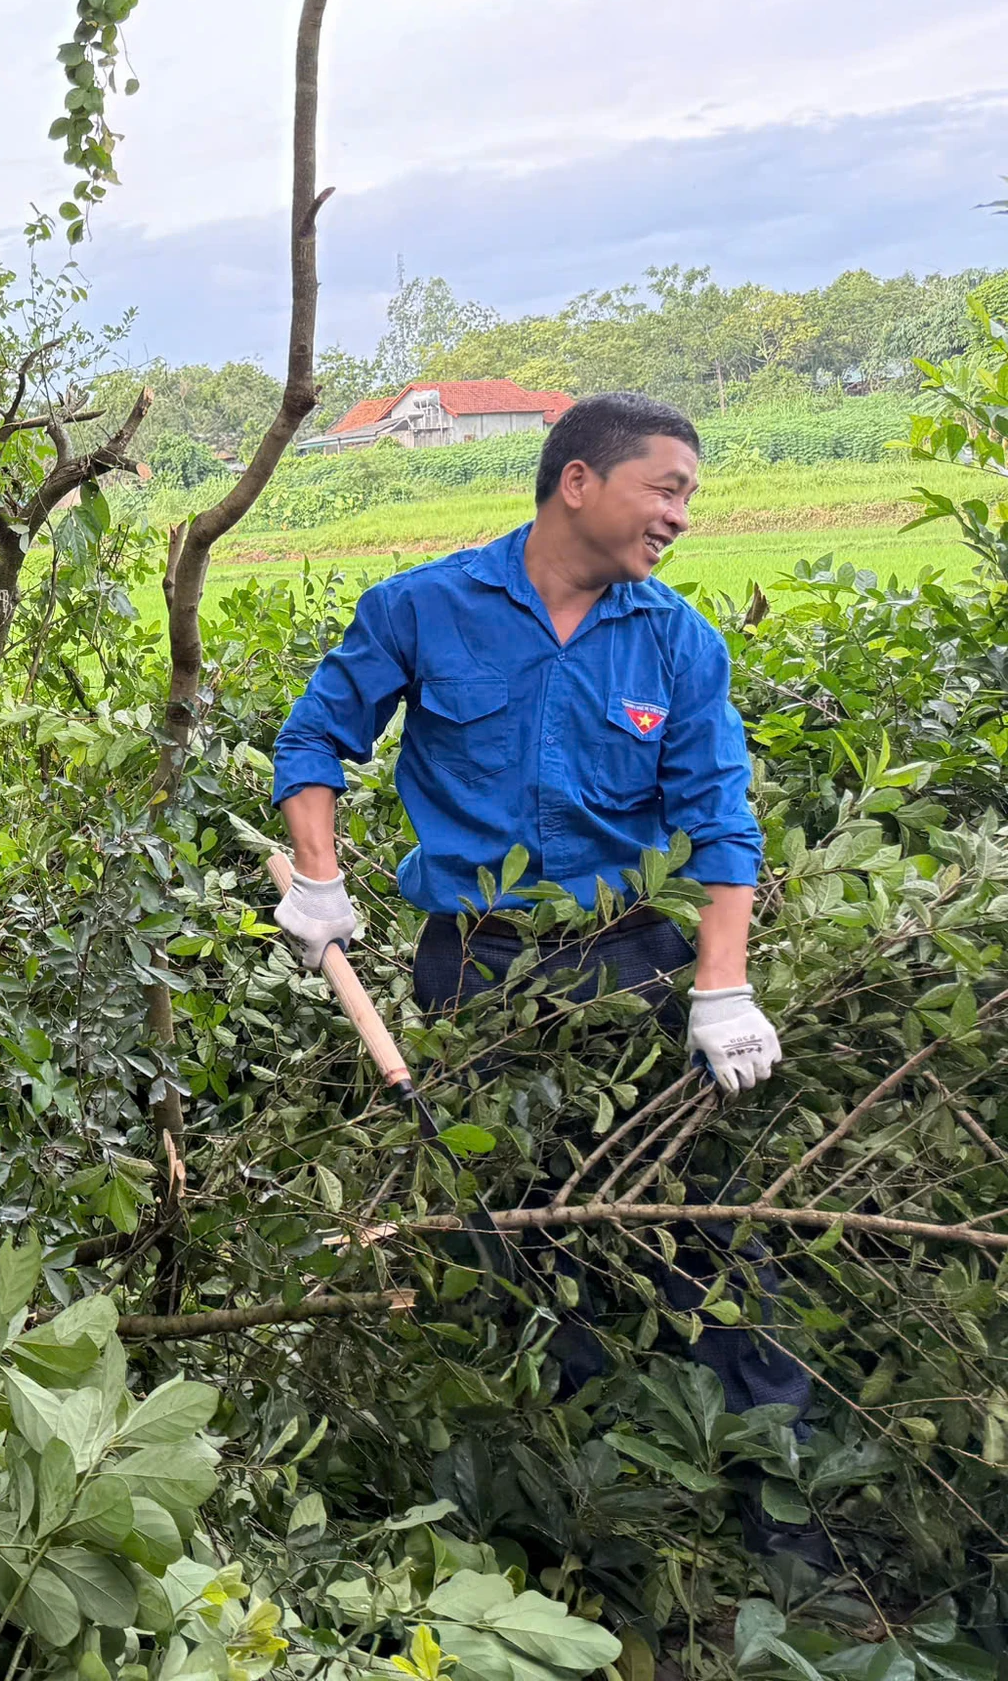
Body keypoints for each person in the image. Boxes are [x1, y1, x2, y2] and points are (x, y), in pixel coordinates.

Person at [266, 392, 810, 1432]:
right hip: (474, 967)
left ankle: (775, 1479)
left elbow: (722, 824)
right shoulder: (419, 608)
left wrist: (721, 988)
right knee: (513, 1218)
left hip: (635, 960)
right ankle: (572, 1453)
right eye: (665, 489)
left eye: (687, 497)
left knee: (709, 1208)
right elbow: (312, 742)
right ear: (578, 483)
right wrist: (318, 875)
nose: (680, 517)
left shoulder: (679, 643)